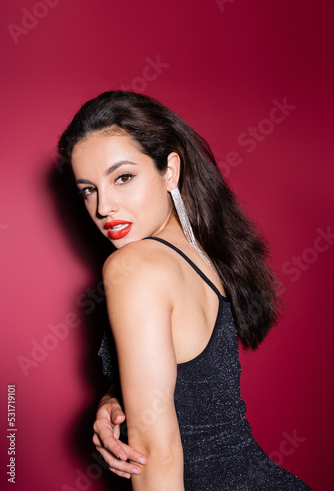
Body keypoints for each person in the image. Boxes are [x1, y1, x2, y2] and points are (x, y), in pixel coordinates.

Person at [58, 90, 312, 490]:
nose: (104, 206)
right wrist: (117, 397)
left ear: (170, 170)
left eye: (123, 177)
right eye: (88, 189)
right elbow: (191, 379)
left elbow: (157, 453)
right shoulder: (201, 254)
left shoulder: (134, 266)